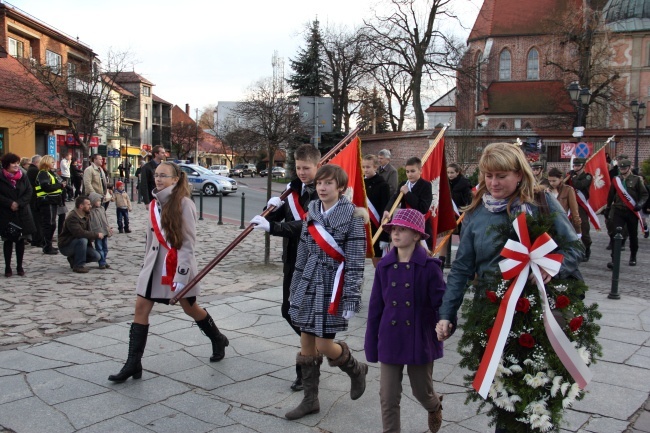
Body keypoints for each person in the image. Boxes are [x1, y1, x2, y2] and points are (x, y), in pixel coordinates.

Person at [435, 142, 583, 433]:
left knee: (535, 393)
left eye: (501, 175)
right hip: (490, 312)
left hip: (537, 312)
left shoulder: (541, 203)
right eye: (488, 176)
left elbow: (574, 248)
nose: (493, 183)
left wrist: (550, 266)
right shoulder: (477, 212)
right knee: (502, 394)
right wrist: (446, 313)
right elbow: (462, 268)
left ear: (519, 174)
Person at [108, 161, 228, 382]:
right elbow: (150, 238)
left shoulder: (184, 204)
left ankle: (218, 338)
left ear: (175, 179)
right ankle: (133, 363)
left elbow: (188, 244)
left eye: (164, 175)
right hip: (155, 266)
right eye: (156, 175)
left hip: (176, 267)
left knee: (191, 309)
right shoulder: (155, 204)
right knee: (140, 309)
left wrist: (182, 277)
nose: (158, 179)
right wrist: (145, 265)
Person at [284, 164, 368, 421]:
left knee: (323, 343)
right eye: (320, 183)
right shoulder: (311, 211)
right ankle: (310, 400)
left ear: (340, 187)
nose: (322, 187)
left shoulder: (352, 217)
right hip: (309, 281)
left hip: (333, 285)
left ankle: (356, 369)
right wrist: (295, 285)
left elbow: (355, 259)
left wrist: (352, 296)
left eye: (328, 183)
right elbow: (304, 250)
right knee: (306, 341)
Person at [365, 208, 445, 433]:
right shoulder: (384, 266)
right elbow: (375, 308)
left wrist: (444, 324)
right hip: (390, 338)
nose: (396, 234)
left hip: (419, 337)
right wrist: (371, 345)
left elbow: (441, 303)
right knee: (388, 396)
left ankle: (434, 405)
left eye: (402, 230)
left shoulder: (429, 268)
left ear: (417, 235)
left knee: (422, 391)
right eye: (393, 230)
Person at [249, 143, 321, 391]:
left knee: (301, 314)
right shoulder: (292, 190)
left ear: (317, 165)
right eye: (299, 167)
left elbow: (308, 226)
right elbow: (275, 220)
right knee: (288, 311)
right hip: (292, 259)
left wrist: (274, 228)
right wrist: (269, 212)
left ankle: (307, 369)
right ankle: (321, 350)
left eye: (306, 168)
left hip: (314, 261)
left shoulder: (322, 191)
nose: (302, 172)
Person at [383, 156, 433, 249]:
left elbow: (423, 208)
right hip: (405, 224)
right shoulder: (403, 184)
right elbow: (394, 198)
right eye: (407, 171)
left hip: (421, 223)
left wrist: (408, 193)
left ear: (420, 171)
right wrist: (387, 210)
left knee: (423, 252)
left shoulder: (426, 185)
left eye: (413, 171)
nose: (410, 174)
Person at [606, 159, 648, 267]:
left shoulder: (637, 180)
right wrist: (608, 207)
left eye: (624, 168)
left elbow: (644, 195)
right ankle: (614, 260)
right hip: (618, 210)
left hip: (631, 211)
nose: (622, 170)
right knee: (616, 234)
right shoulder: (616, 180)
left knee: (633, 235)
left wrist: (640, 204)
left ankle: (633, 256)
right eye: (621, 168)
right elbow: (611, 195)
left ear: (630, 168)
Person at [1, 153, 36, 277]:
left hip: (22, 212)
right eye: (13, 163)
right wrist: (10, 203)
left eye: (17, 163)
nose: (16, 165)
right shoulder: (1, 177)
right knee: (8, 241)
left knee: (21, 240)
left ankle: (20, 266)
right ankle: (7, 267)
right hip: (7, 212)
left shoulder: (22, 176)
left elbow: (29, 191)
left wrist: (19, 203)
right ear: (6, 164)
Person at [58, 196, 103, 273]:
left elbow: (89, 229)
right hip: (66, 245)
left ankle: (73, 259)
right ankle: (79, 265)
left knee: (96, 256)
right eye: (88, 204)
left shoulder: (86, 214)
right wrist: (96, 235)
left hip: (78, 244)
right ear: (81, 206)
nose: (90, 206)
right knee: (82, 240)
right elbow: (79, 233)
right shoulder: (72, 217)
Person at [441, 163, 473, 267]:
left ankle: (462, 261)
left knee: (463, 239)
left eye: (452, 172)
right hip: (449, 215)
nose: (449, 175)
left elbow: (469, 200)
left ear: (457, 172)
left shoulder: (464, 184)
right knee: (445, 238)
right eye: (448, 172)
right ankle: (442, 261)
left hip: (460, 215)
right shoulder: (446, 183)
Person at [362, 154, 391, 267]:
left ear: (375, 167)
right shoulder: (360, 183)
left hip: (377, 228)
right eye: (363, 167)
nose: (365, 170)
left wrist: (385, 236)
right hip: (363, 228)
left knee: (379, 264)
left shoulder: (383, 185)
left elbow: (386, 210)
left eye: (368, 167)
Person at [35, 155, 66, 255]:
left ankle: (48, 244)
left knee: (52, 224)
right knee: (49, 224)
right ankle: (47, 246)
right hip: (46, 200)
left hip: (52, 200)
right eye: (52, 162)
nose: (54, 164)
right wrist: (60, 185)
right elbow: (46, 187)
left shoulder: (50, 173)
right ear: (47, 163)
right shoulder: (43, 173)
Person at [567, 157, 593, 261]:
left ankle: (587, 247)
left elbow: (579, 185)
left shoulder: (587, 177)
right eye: (574, 165)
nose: (575, 167)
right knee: (569, 227)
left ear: (583, 166)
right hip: (570, 204)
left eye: (578, 165)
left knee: (583, 228)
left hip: (581, 206)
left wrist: (572, 177)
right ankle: (573, 250)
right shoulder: (570, 176)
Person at [547, 167, 582, 236]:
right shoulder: (547, 191)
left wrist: (578, 230)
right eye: (549, 181)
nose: (551, 183)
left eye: (554, 181)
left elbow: (574, 211)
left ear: (561, 179)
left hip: (564, 222)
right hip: (550, 224)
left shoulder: (568, 190)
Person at [88, 192, 113, 270]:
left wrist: (108, 227)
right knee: (99, 248)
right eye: (97, 201)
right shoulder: (90, 212)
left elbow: (105, 219)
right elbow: (89, 223)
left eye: (99, 201)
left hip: (104, 230)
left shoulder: (102, 209)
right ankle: (101, 262)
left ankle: (104, 261)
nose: (99, 202)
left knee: (105, 248)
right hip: (97, 232)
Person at [26, 155, 43, 248]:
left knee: (36, 219)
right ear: (37, 162)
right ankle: (37, 239)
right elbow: (38, 184)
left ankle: (36, 239)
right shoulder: (34, 170)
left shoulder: (31, 169)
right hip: (35, 198)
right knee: (37, 220)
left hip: (33, 197)